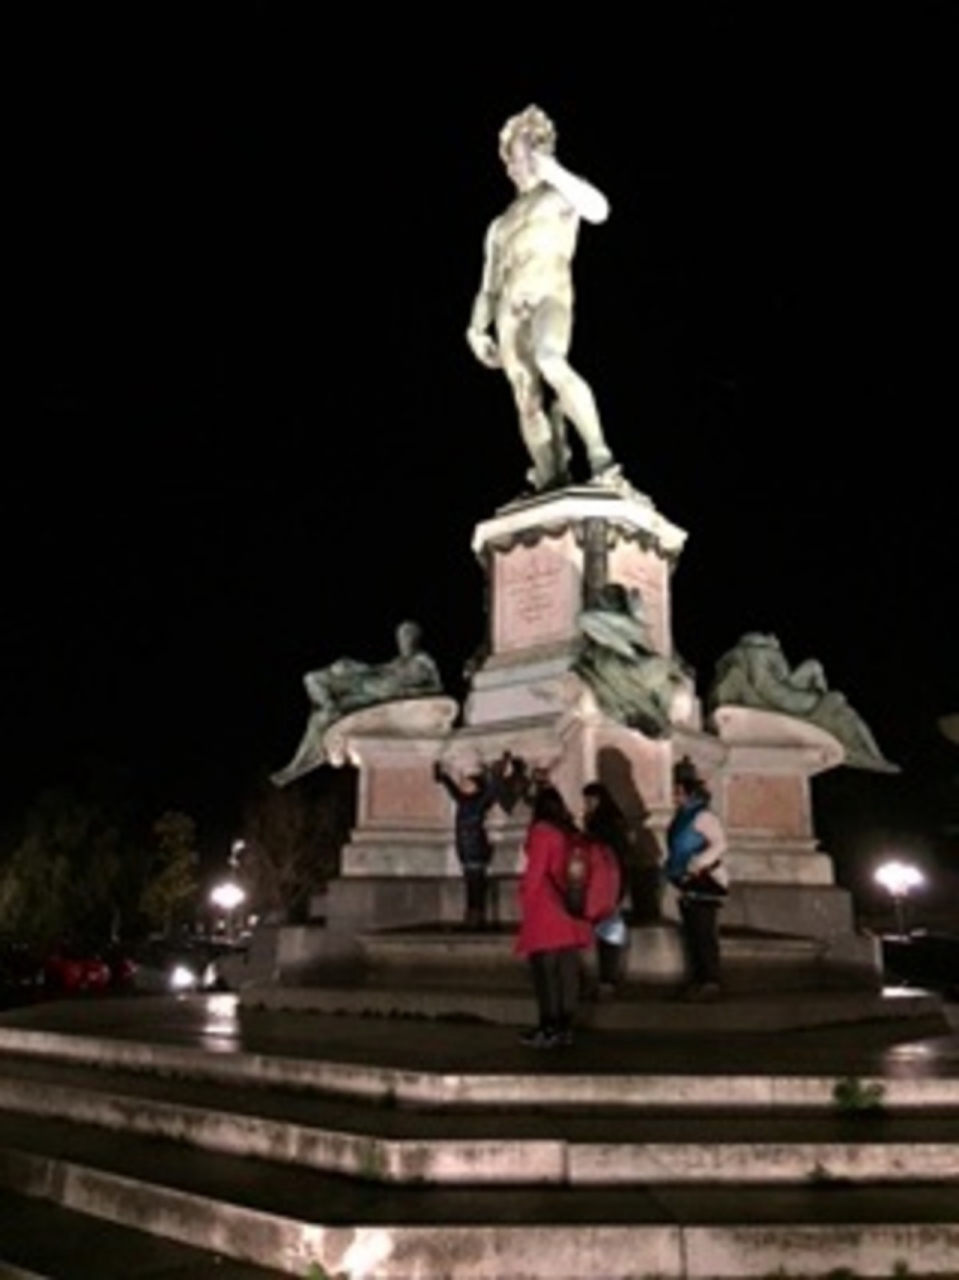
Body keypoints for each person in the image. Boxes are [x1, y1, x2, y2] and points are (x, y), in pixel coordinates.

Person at [466, 104, 621, 494]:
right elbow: (488, 286)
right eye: (514, 155)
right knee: (526, 398)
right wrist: (475, 328)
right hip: (508, 309)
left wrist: (553, 171)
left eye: (527, 152)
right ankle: (550, 476)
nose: (518, 163)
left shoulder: (561, 193)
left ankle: (602, 458)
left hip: (550, 293)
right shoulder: (499, 225)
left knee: (551, 358)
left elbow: (600, 210)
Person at [272, 620, 443, 787]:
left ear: (415, 638)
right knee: (316, 690)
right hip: (367, 684)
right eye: (400, 637)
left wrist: (406, 693)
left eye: (406, 636)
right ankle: (299, 763)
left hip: (374, 695)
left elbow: (437, 688)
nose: (402, 641)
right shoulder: (396, 661)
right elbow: (376, 670)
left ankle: (310, 754)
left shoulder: (423, 659)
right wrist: (355, 667)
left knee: (317, 694)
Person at [708, 632, 897, 772]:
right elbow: (778, 681)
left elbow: (764, 682)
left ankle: (871, 755)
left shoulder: (743, 654)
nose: (774, 640)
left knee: (817, 672)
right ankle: (872, 755)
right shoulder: (767, 653)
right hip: (785, 698)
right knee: (828, 687)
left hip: (780, 696)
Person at [514, 785, 593, 1048]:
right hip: (571, 907)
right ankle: (565, 1027)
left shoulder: (542, 832)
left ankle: (548, 1027)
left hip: (546, 910)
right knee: (567, 971)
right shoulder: (570, 832)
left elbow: (535, 872)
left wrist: (524, 898)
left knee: (545, 973)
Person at [574, 583, 688, 738]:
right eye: (608, 597)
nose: (611, 601)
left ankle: (648, 714)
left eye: (614, 598)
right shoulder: (615, 625)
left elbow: (645, 643)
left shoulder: (635, 625)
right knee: (614, 667)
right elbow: (586, 620)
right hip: (631, 660)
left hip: (638, 663)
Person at [664, 758, 730, 1002]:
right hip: (685, 879)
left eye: (678, 792)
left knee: (703, 932)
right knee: (692, 932)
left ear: (689, 793)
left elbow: (720, 844)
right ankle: (699, 979)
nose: (675, 797)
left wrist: (698, 863)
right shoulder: (682, 816)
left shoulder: (703, 816)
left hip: (703, 879)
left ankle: (710, 981)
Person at [433, 754, 517, 928]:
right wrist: (442, 776)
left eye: (469, 783)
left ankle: (476, 914)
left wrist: (498, 769)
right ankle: (473, 914)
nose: (465, 785)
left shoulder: (478, 802)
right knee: (472, 884)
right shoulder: (464, 800)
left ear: (476, 787)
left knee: (477, 884)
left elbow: (491, 789)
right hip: (467, 849)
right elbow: (452, 788)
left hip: (475, 849)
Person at [582, 781, 631, 998]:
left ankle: (608, 979)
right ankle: (607, 978)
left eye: (590, 799)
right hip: (611, 881)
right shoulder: (610, 821)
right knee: (608, 929)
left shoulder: (603, 824)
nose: (587, 804)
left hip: (607, 882)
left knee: (608, 929)